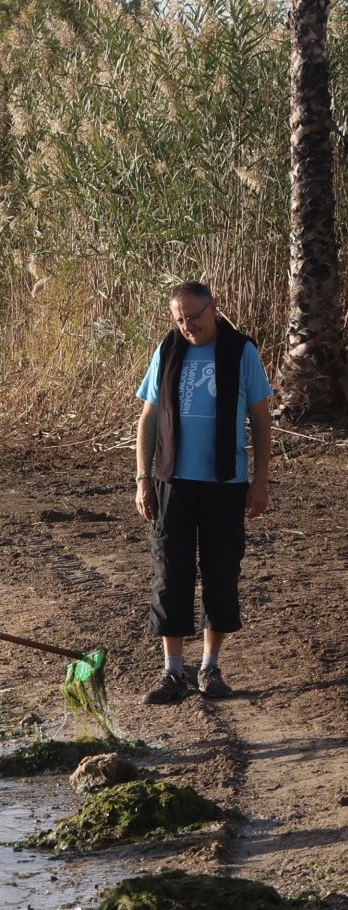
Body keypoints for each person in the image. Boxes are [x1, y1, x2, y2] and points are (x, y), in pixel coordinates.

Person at [135, 282, 272, 703]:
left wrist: (261, 480)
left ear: (213, 309)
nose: (187, 325)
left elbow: (262, 420)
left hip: (225, 484)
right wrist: (143, 479)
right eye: (179, 318)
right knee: (169, 575)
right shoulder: (168, 350)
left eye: (193, 316)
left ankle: (210, 668)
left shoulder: (241, 351)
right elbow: (148, 418)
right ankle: (173, 672)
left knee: (221, 574)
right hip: (171, 481)